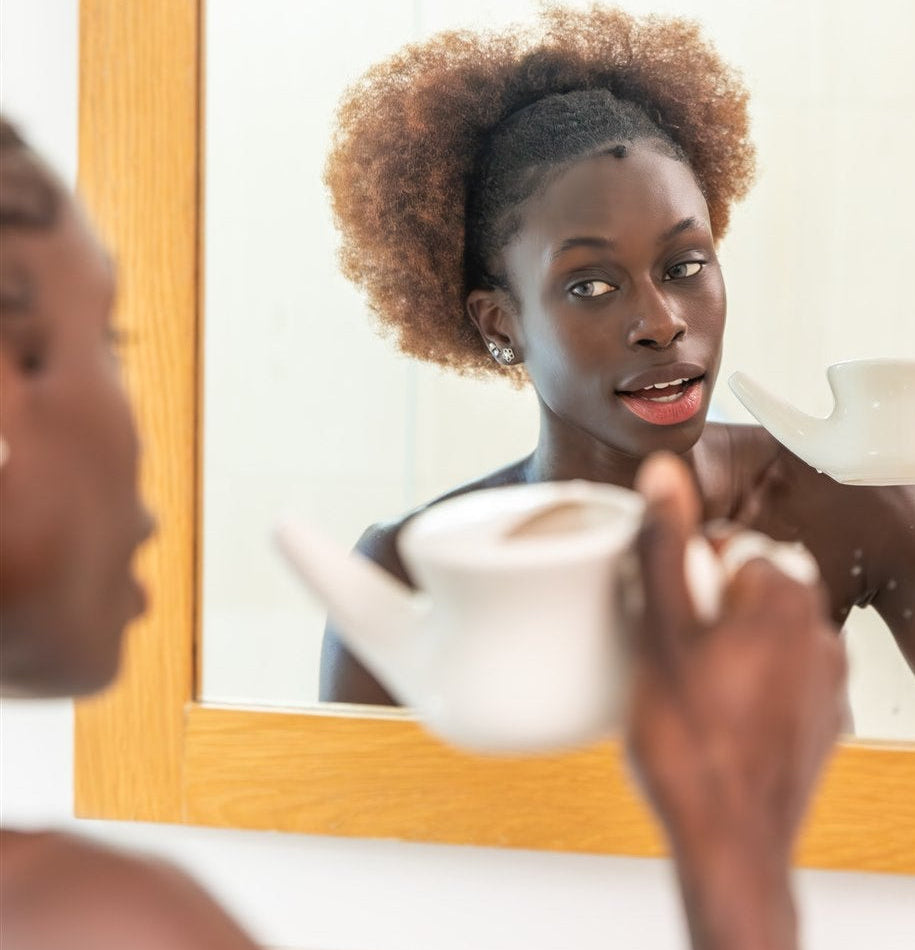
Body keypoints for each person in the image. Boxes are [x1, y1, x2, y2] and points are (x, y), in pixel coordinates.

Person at [0, 116, 874, 950]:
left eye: (687, 264)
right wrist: (738, 844)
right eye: (90, 348)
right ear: (496, 319)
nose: (140, 418)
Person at [318, 4, 915, 706]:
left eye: (684, 266)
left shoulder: (834, 503)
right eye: (592, 284)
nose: (661, 324)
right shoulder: (408, 578)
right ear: (499, 322)